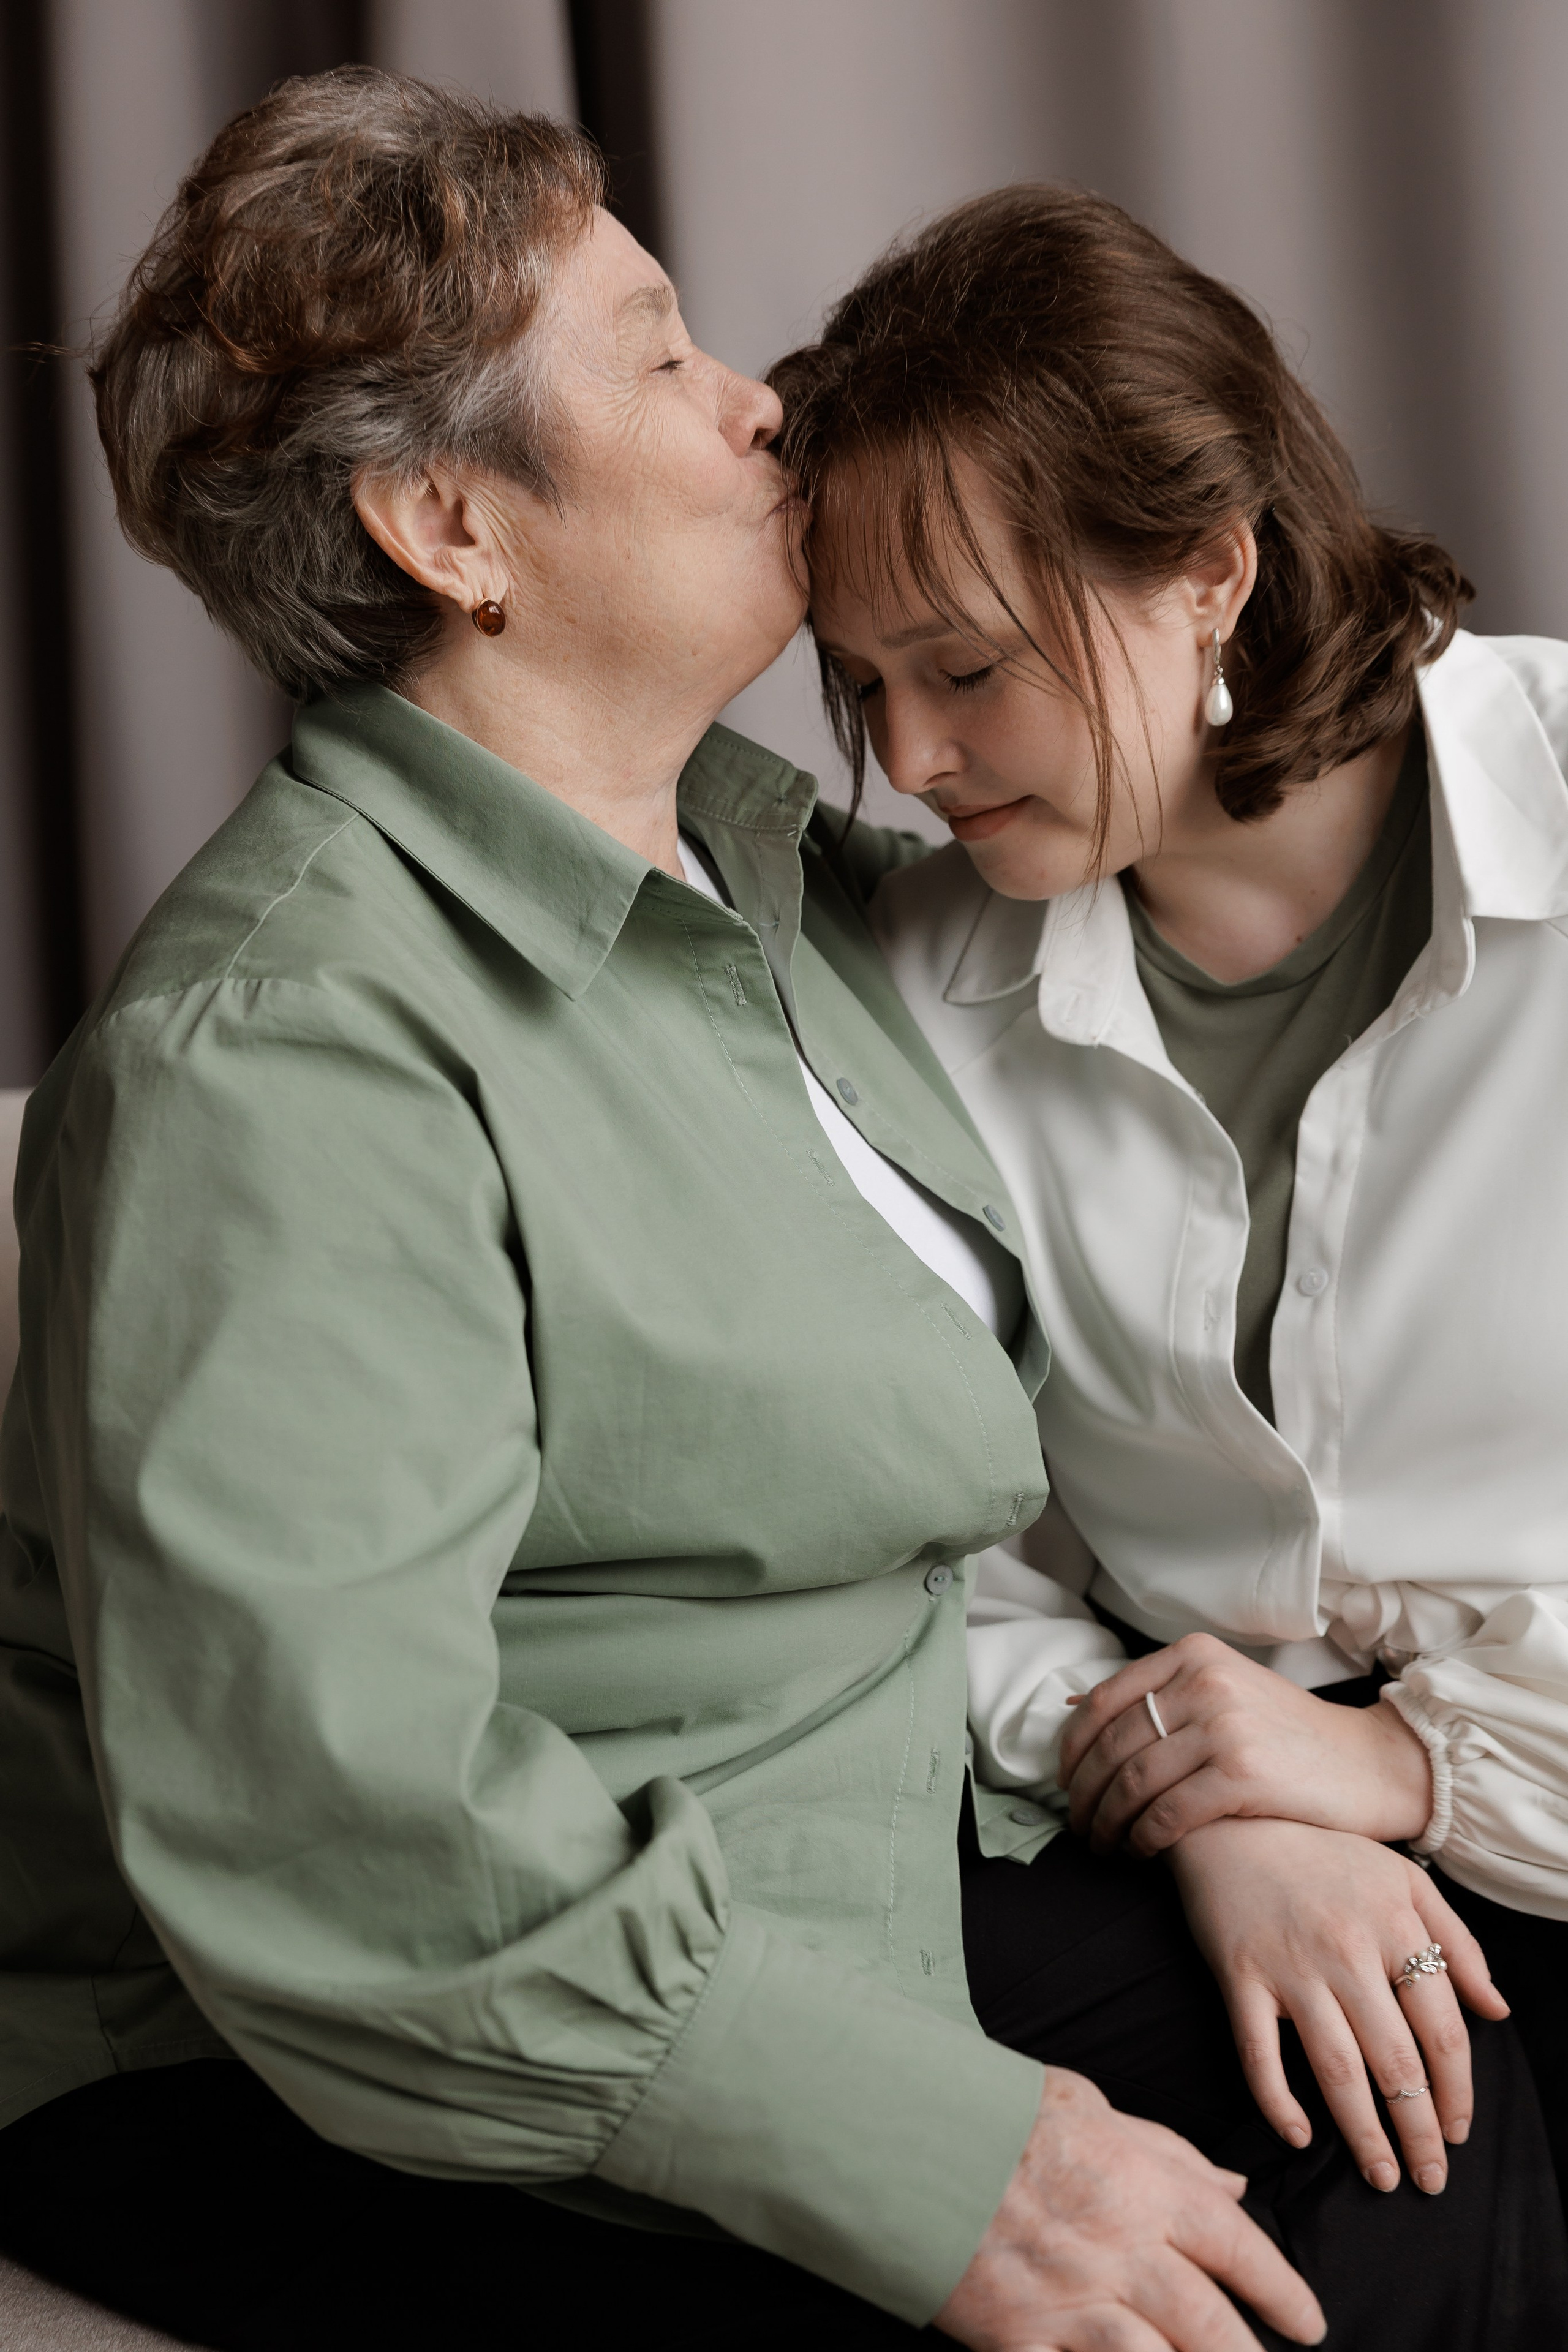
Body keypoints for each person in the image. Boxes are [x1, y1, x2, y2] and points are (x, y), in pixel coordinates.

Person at [0, 72, 1341, 2352]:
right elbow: (342, 1840)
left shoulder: (784, 885)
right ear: (453, 524)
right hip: (345, 2045)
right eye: (659, 353)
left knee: (1441, 2091)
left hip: (860, 1840)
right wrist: (956, 2160)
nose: (762, 404)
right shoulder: (284, 1056)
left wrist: (1242, 1796)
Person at [770, 179, 1568, 2257]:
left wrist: (1407, 1774)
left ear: (1211, 565)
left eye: (967, 668)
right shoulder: (908, 985)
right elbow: (923, 1543)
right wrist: (1215, 1800)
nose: (912, 758)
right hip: (1185, 1876)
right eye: (862, 684)